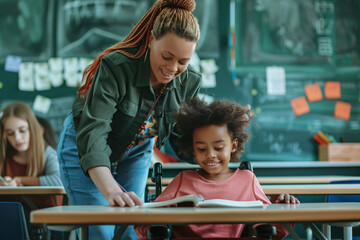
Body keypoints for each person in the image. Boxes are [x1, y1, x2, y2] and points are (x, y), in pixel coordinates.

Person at [57, 0, 201, 239]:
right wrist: (111, 190)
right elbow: (93, 132)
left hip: (135, 152)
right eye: (167, 56)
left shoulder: (190, 81)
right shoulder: (115, 67)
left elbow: (181, 140)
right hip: (83, 147)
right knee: (101, 231)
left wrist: (221, 136)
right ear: (151, 39)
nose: (173, 68)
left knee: (132, 231)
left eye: (183, 62)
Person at [135, 97, 300, 239]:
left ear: (234, 145)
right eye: (201, 149)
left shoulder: (247, 180)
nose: (211, 155)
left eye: (219, 148)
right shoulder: (183, 180)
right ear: (193, 149)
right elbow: (147, 223)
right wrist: (151, 225)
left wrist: (283, 205)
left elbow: (271, 229)